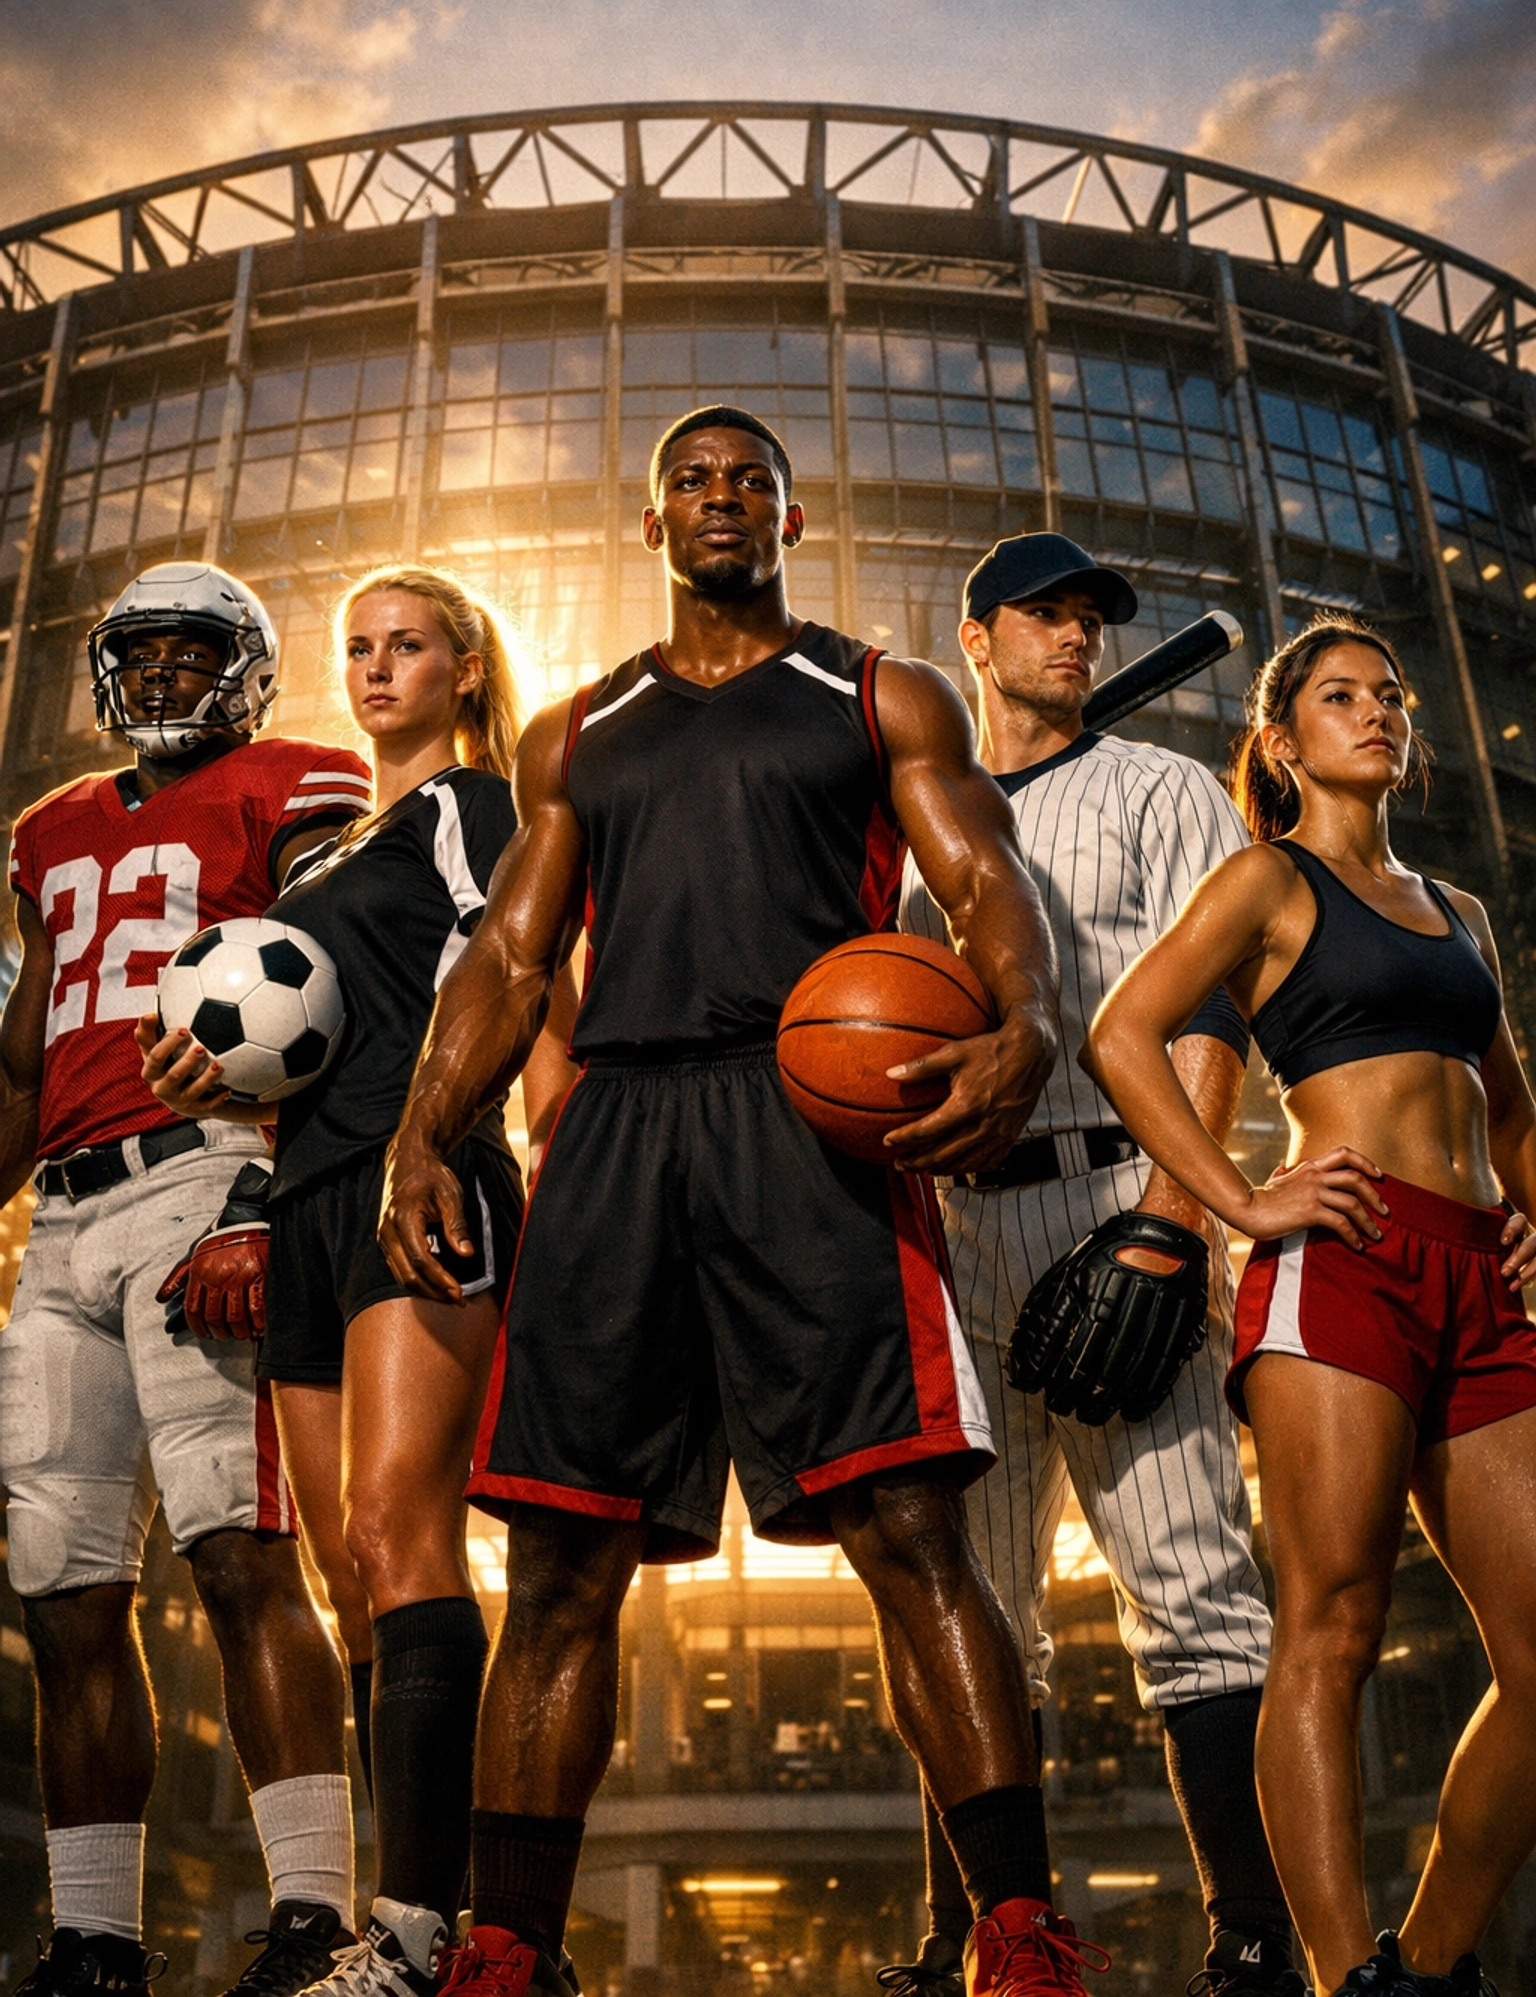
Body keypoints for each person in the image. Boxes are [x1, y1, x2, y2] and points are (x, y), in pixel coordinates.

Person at [375, 404, 1115, 1997]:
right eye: (693, 483)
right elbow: (510, 957)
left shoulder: (877, 693)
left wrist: (1027, 1027)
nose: (723, 500)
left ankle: (1017, 1927)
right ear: (652, 528)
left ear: (791, 518)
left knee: (911, 1529)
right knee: (558, 1563)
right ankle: (510, 1944)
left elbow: (992, 886)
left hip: (809, 1120)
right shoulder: (577, 730)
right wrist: (424, 1130)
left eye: (752, 483)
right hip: (621, 1131)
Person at [138, 567, 578, 1997]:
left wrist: (462, 1144)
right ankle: (426, 1921)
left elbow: (516, 979)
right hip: (312, 1202)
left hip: (427, 1181)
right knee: (348, 1578)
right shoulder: (319, 865)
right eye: (359, 650)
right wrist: (217, 1090)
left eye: (409, 646)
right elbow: (291, 1047)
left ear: (464, 668)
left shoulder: (478, 808)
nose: (378, 669)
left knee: (403, 1538)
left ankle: (419, 1932)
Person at [1084, 613, 1536, 1997]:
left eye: (1391, 695)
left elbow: (1512, 1110)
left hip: (1479, 1274)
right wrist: (1240, 1196)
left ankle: (1432, 1961)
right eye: (1342, 696)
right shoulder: (1265, 883)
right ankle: (1348, 1976)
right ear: (1284, 742)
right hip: (1341, 1260)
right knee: (1329, 1624)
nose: (1378, 711)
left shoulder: (1456, 912)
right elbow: (1123, 1032)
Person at [895, 534, 1294, 1997]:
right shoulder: (922, 826)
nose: (1074, 639)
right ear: (975, 640)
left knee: (1193, 1585)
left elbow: (1218, 1009)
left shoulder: (1166, 787)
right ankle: (974, 1935)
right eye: (1043, 618)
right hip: (953, 1228)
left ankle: (1253, 1935)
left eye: (1090, 622)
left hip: (1122, 1189)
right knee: (971, 1608)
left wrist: (1178, 1224)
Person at [0, 562, 373, 1997]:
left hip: (204, 1173)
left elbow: (349, 982)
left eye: (190, 648)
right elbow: (27, 1065)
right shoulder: (51, 832)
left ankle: (312, 1915)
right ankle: (94, 1938)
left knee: (237, 1552)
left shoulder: (302, 779)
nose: (160, 673)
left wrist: (274, 1198)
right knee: (65, 1595)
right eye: (137, 651)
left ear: (248, 665)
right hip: (62, 1219)